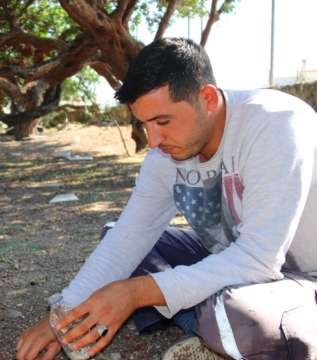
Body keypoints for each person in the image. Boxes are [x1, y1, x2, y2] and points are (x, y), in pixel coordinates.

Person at [16, 37, 317, 360]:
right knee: (117, 236)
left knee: (241, 316)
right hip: (233, 257)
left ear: (208, 98)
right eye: (144, 124)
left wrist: (134, 293)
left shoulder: (275, 124)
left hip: (299, 276)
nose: (154, 141)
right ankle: (205, 324)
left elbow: (259, 258)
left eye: (162, 121)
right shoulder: (165, 154)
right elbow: (130, 236)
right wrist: (64, 313)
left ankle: (216, 324)